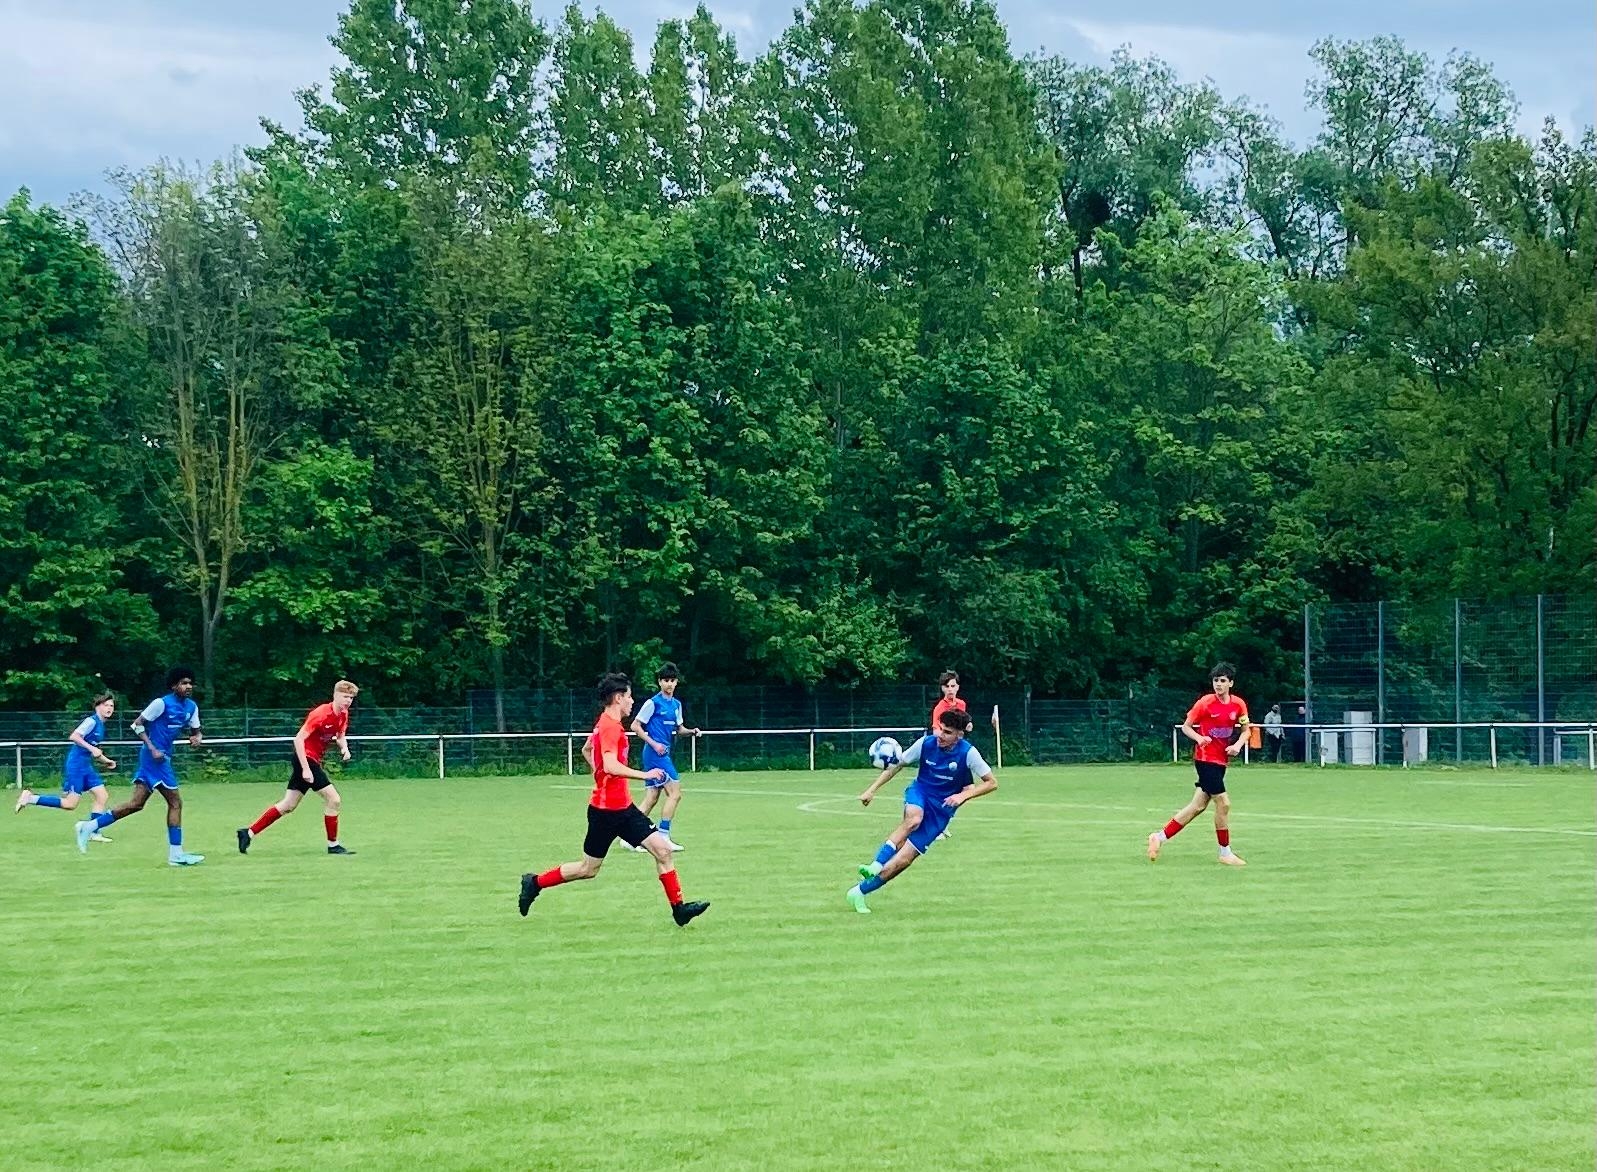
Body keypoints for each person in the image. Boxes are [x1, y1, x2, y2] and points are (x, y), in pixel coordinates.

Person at [518, 673, 709, 927]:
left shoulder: (604, 723)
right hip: (604, 813)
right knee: (588, 869)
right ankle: (534, 882)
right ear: (618, 698)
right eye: (629, 696)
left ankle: (679, 909)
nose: (632, 701)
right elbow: (609, 764)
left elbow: (588, 750)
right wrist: (645, 774)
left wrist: (599, 775)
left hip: (624, 809)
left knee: (662, 851)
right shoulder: (610, 726)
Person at [846, 707, 997, 913]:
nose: (940, 735)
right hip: (921, 792)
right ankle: (875, 864)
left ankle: (859, 892)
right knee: (914, 819)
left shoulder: (968, 753)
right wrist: (871, 790)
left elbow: (991, 783)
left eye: (947, 732)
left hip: (941, 811)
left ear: (959, 735)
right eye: (940, 729)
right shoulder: (925, 743)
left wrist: (963, 796)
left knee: (904, 860)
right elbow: (897, 765)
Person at [75, 666, 204, 865]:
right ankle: (176, 855)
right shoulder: (161, 704)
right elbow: (137, 724)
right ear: (173, 685)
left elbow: (196, 731)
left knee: (136, 804)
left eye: (190, 683)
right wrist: (152, 747)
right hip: (153, 759)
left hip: (163, 758)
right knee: (175, 803)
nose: (188, 686)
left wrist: (197, 738)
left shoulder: (191, 707)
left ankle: (89, 826)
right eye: (183, 683)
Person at [237, 680, 360, 856]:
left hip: (312, 760)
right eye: (345, 696)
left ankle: (248, 833)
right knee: (334, 799)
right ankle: (333, 845)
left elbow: (340, 736)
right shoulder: (320, 714)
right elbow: (298, 739)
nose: (348, 701)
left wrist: (344, 748)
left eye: (351, 698)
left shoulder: (343, 714)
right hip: (305, 759)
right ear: (335, 695)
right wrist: (306, 769)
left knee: (288, 805)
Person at [1147, 662, 1248, 867]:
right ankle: (1225, 852)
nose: (1218, 684)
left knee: (1197, 806)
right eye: (1215, 680)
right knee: (1224, 803)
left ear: (1230, 683)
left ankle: (1159, 837)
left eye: (1222, 680)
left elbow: (1247, 730)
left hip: (1221, 761)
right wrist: (1199, 738)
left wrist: (1237, 745)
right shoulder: (1205, 703)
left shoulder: (1238, 704)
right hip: (1205, 759)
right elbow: (1186, 727)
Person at [16, 691, 118, 841]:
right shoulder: (91, 721)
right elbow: (74, 736)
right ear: (98, 707)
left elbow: (94, 749)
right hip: (76, 765)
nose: (109, 708)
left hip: (86, 766)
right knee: (70, 804)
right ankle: (30, 798)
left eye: (112, 706)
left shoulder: (101, 725)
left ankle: (93, 832)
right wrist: (92, 749)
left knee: (102, 795)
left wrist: (106, 760)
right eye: (106, 705)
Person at [632, 662, 700, 852]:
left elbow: (679, 729)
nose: (669, 684)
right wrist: (654, 743)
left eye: (672, 680)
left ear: (676, 682)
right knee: (675, 793)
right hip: (655, 754)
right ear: (659, 682)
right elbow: (635, 726)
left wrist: (692, 731)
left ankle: (630, 837)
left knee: (652, 797)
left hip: (663, 753)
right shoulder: (652, 703)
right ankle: (663, 835)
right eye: (665, 680)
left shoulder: (676, 705)